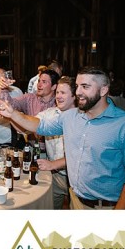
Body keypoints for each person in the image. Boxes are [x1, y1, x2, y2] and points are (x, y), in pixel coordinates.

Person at [0, 67, 125, 209]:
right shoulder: (70, 117)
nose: (78, 92)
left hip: (106, 207)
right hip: (75, 200)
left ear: (104, 90)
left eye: (85, 86)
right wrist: (12, 114)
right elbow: (40, 125)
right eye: (77, 86)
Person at [34, 76, 77, 209]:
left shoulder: (83, 118)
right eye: (57, 92)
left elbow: (80, 156)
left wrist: (53, 164)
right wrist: (10, 114)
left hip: (76, 178)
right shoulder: (49, 114)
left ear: (74, 96)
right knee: (51, 211)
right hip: (55, 176)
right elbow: (27, 125)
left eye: (63, 93)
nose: (58, 96)